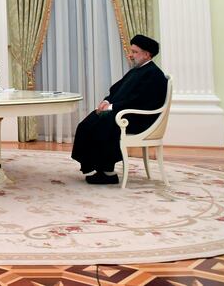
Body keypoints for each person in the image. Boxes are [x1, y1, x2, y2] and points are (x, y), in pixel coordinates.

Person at [71, 34, 168, 185]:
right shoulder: (137, 70)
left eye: (135, 52)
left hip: (139, 118)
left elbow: (140, 101)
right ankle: (95, 167)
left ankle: (108, 172)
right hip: (125, 112)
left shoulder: (154, 74)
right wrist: (107, 100)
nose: (131, 55)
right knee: (90, 122)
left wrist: (112, 107)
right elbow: (117, 89)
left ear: (147, 54)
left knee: (105, 124)